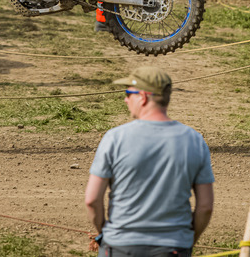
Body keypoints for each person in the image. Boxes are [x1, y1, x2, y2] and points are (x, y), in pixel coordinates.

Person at [85, 66, 214, 257]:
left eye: (129, 93)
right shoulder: (194, 140)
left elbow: (92, 200)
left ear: (143, 97)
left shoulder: (115, 138)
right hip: (174, 247)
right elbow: (205, 206)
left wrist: (107, 233)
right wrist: (186, 241)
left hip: (120, 246)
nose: (125, 99)